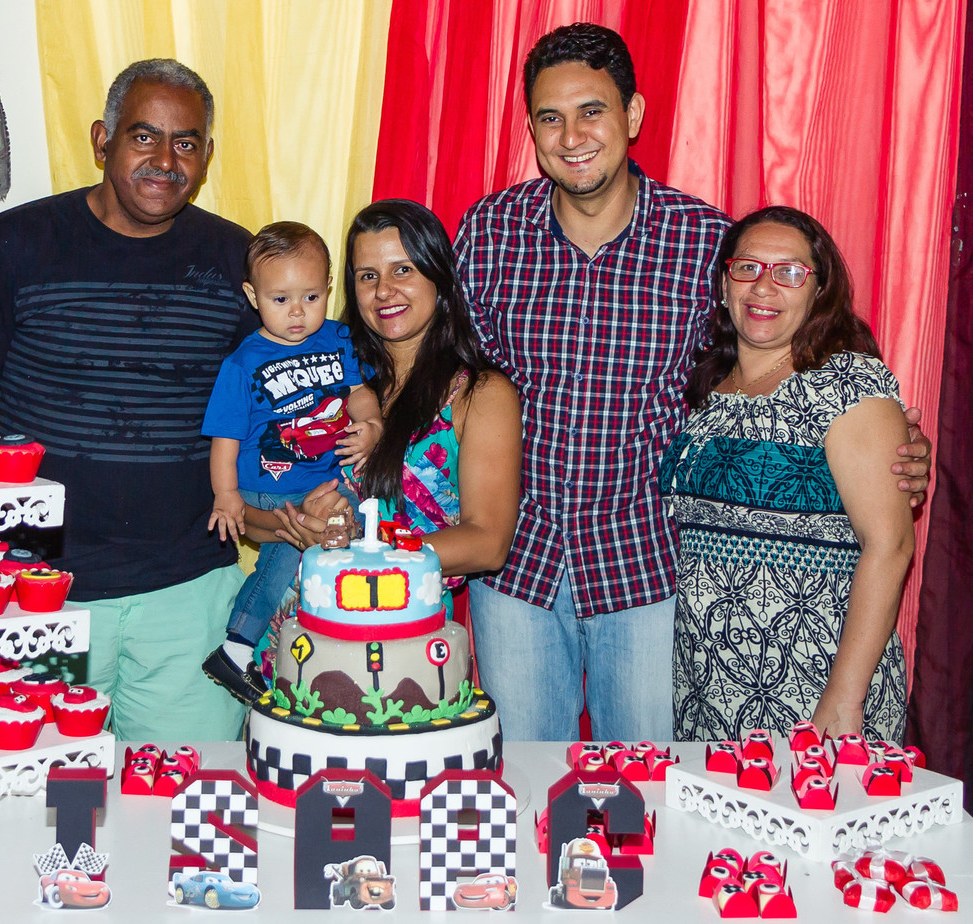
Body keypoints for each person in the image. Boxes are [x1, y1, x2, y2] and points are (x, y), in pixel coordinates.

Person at [453, 23, 930, 742]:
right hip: (516, 562)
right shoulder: (490, 232)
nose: (572, 136)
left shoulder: (706, 242)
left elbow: (780, 363)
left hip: (647, 565)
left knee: (655, 787)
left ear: (633, 115)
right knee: (522, 776)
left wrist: (889, 443)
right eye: (551, 117)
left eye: (592, 111)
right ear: (531, 128)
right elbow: (452, 377)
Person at [0, 59, 255, 741]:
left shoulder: (239, 261)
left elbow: (276, 411)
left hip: (187, 593)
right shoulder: (13, 245)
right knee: (44, 794)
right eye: (144, 137)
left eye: (186, 143)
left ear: (207, 155)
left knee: (180, 792)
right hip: (35, 593)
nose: (165, 161)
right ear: (103, 140)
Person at [661, 206, 912, 742]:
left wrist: (845, 695)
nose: (763, 287)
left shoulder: (847, 383)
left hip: (815, 678)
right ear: (724, 284)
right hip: (708, 683)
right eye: (747, 267)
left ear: (818, 292)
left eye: (790, 272)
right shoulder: (708, 391)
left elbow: (890, 545)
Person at [272, 199, 521, 623]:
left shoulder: (479, 394)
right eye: (368, 276)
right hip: (296, 625)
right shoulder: (328, 379)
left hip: (400, 634)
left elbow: (488, 543)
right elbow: (256, 503)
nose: (383, 290)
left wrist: (361, 549)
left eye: (402, 270)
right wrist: (302, 522)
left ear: (438, 275)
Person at [200, 221, 382, 703]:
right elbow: (225, 438)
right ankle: (237, 646)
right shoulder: (243, 362)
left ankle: (331, 639)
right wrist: (226, 494)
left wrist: (372, 424)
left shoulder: (338, 338)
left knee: (350, 533)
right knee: (289, 549)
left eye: (311, 297)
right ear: (253, 296)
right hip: (268, 482)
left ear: (329, 289)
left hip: (324, 478)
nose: (298, 312)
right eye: (280, 299)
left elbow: (359, 391)